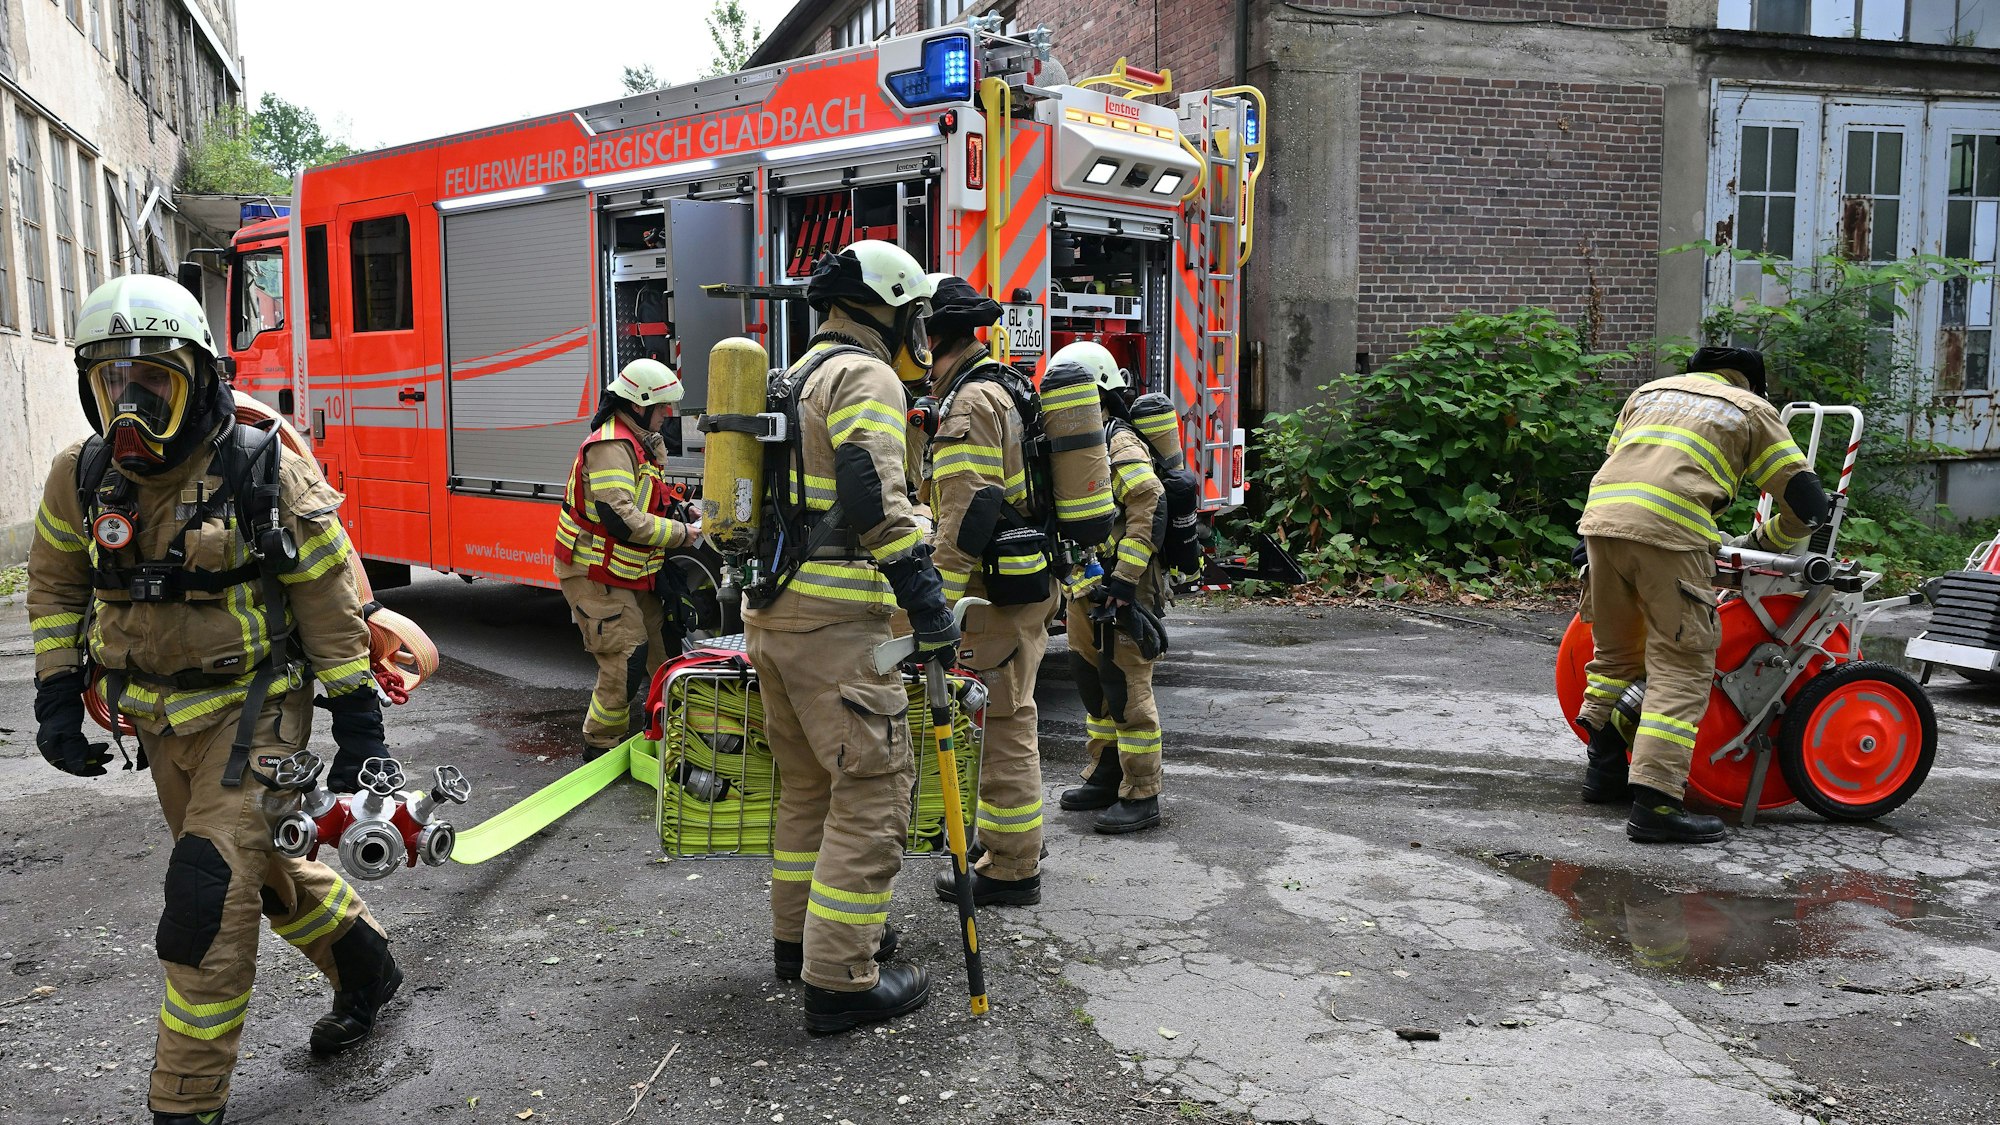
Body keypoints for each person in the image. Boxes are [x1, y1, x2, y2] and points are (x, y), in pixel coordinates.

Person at [26, 274, 402, 1125]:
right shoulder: (80, 478)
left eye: (153, 384)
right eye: (112, 386)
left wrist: (359, 723)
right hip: (160, 722)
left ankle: (183, 1107)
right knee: (260, 871)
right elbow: (53, 586)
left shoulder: (260, 469)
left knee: (205, 901)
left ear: (199, 377)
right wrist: (55, 694)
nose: (131, 410)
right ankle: (366, 961)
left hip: (256, 709)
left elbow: (330, 602)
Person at [743, 240, 957, 1033]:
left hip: (774, 618)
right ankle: (841, 978)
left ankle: (799, 943)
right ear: (892, 305)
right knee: (871, 791)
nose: (919, 326)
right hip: (834, 627)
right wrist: (927, 601)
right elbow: (871, 488)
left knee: (806, 789)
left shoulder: (796, 372)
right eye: (914, 312)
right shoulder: (864, 375)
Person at [1575, 345, 1829, 844]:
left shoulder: (1648, 393)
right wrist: (1766, 543)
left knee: (1615, 655)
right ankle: (1657, 804)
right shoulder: (1750, 408)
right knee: (1681, 663)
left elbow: (1622, 467)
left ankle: (1603, 774)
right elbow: (1806, 499)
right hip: (1669, 534)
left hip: (1600, 525)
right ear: (1750, 383)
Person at [918, 275, 1060, 907]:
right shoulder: (1004, 385)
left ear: (930, 336)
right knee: (1008, 713)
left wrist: (937, 601)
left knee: (1003, 721)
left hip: (990, 590)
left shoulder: (970, 403)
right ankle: (1004, 845)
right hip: (1020, 581)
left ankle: (1010, 866)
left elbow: (968, 510)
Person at [553, 358, 699, 757]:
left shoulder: (639, 441)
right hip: (591, 571)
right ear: (639, 405)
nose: (667, 414)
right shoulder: (611, 446)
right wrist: (684, 534)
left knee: (666, 651)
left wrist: (684, 510)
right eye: (662, 406)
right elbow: (621, 518)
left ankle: (679, 736)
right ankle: (599, 745)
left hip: (627, 572)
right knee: (626, 657)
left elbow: (646, 495)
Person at [1054, 342, 1170, 835]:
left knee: (1126, 685)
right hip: (1087, 585)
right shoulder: (1081, 440)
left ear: (1098, 393)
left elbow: (1148, 503)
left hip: (1125, 586)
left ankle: (1142, 792)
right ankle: (1106, 772)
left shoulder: (1117, 443)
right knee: (1091, 680)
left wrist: (1124, 581)